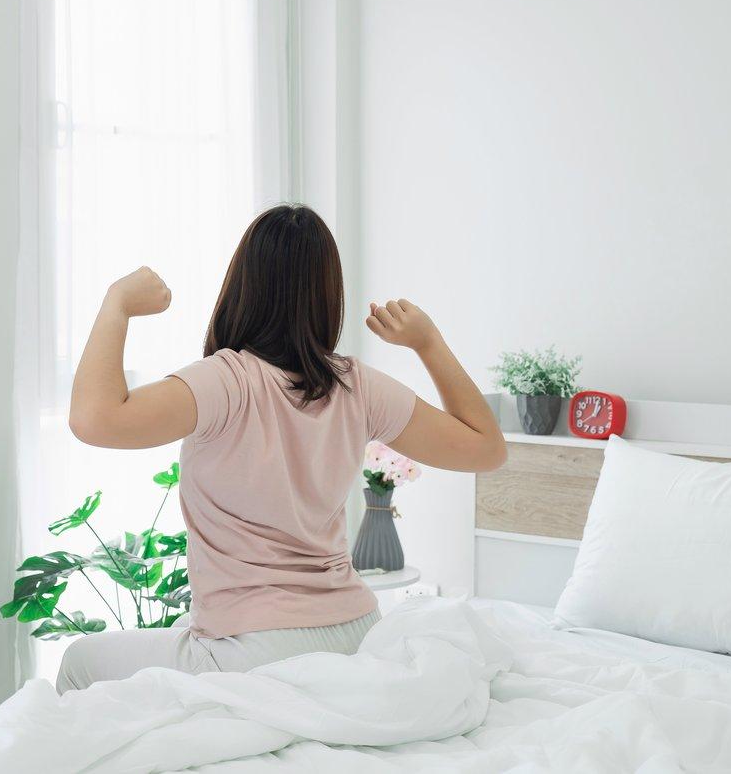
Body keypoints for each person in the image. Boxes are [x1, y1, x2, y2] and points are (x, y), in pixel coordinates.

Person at [58, 204, 506, 692]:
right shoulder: (357, 385)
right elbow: (487, 449)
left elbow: (94, 420)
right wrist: (428, 342)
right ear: (328, 296)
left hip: (253, 648)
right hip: (355, 632)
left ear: (241, 286)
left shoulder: (226, 380)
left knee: (80, 662)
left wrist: (117, 303)